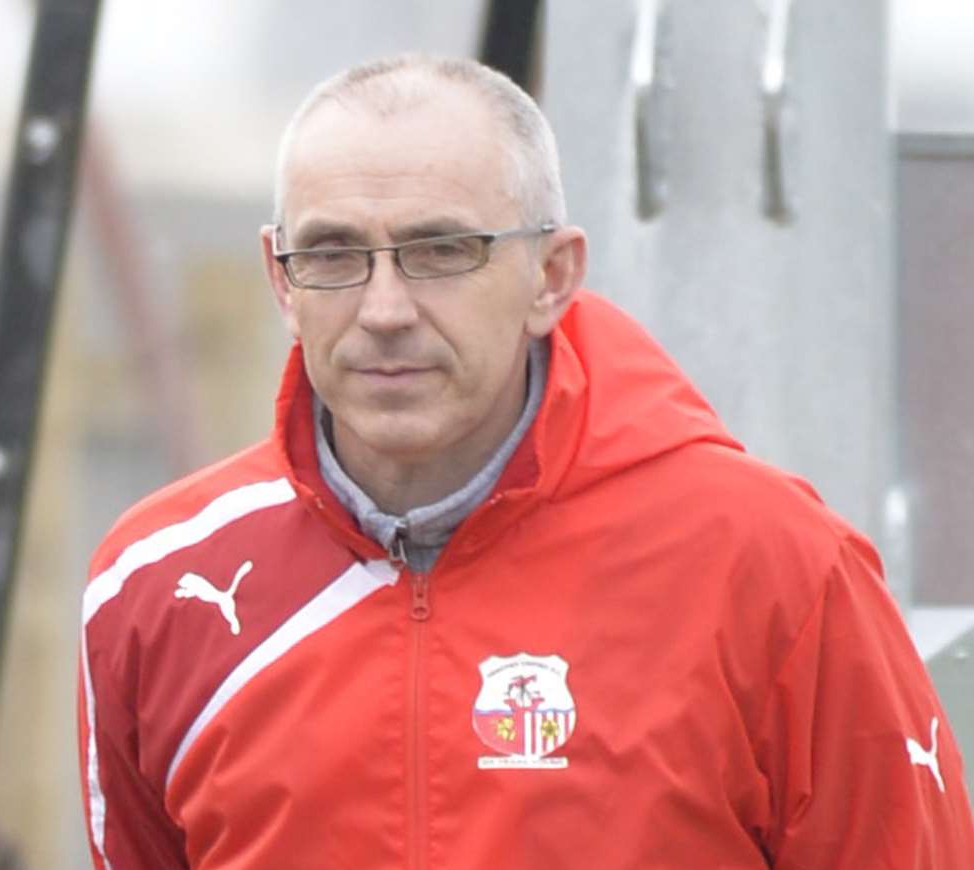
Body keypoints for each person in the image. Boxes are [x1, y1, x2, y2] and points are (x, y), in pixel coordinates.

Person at [77, 54, 974, 868]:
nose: (384, 308)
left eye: (439, 251)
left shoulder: (770, 564)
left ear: (551, 277)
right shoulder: (159, 583)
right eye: (334, 254)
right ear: (281, 281)